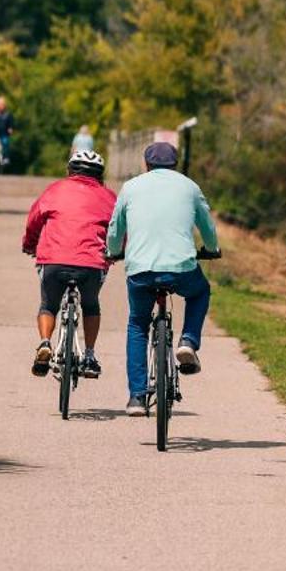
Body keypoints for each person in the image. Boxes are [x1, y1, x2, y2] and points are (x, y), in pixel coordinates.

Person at [104, 140, 220, 413]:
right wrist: (212, 249)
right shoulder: (189, 187)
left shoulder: (131, 187)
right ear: (175, 165)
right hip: (181, 267)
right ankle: (189, 341)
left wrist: (113, 251)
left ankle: (137, 397)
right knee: (199, 292)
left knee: (137, 324)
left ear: (146, 165)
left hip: (140, 269)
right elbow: (207, 224)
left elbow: (115, 227)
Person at [21, 147, 117, 378]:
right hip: (92, 263)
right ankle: (90, 356)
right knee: (91, 305)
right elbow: (119, 229)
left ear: (69, 170)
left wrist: (30, 244)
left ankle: (45, 343)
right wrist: (116, 252)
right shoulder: (109, 197)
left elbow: (34, 221)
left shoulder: (54, 190)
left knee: (48, 305)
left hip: (53, 261)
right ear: (99, 175)